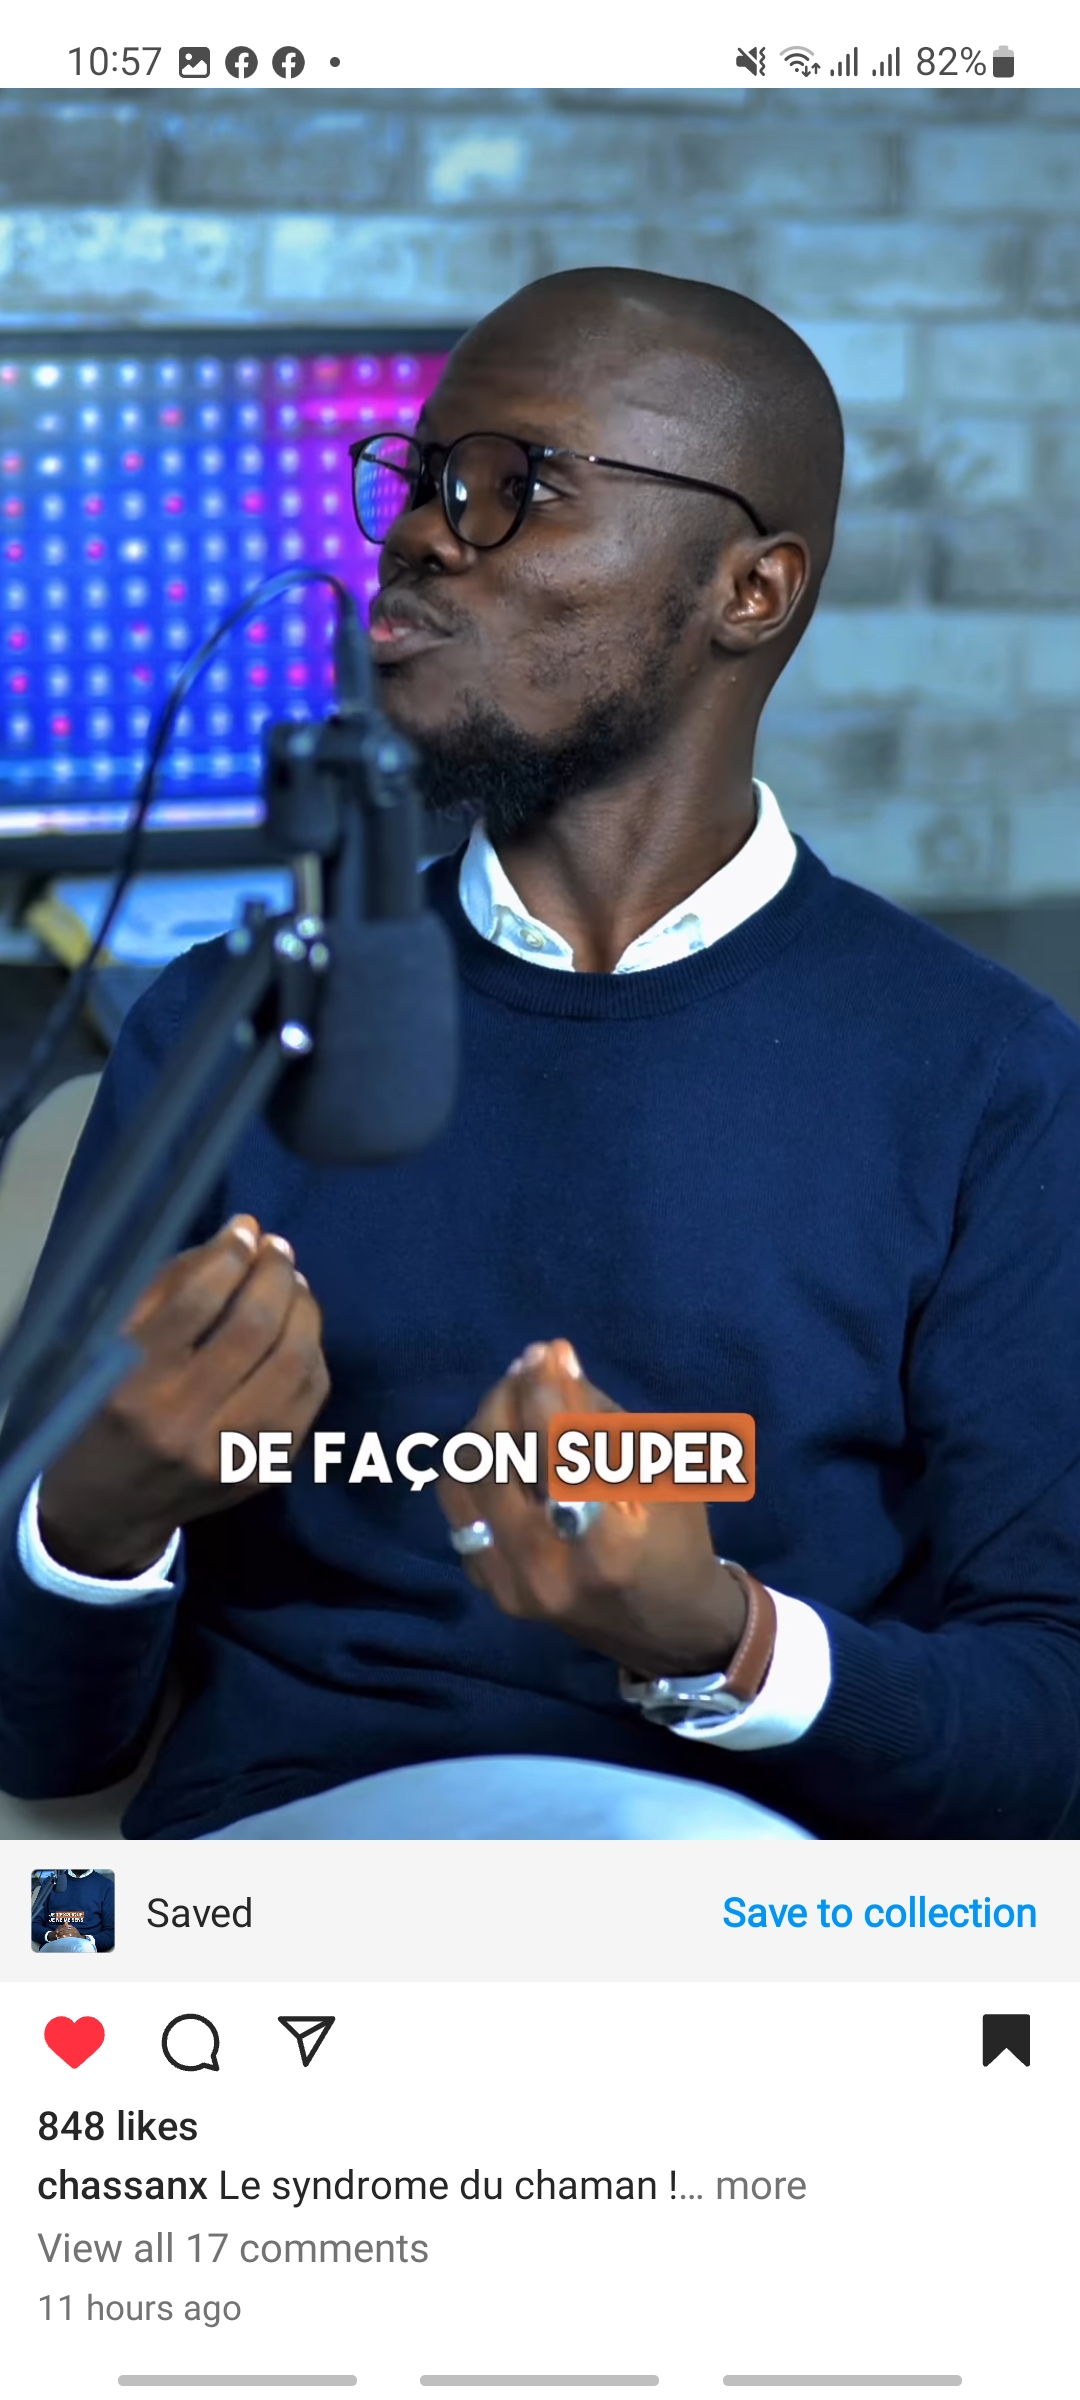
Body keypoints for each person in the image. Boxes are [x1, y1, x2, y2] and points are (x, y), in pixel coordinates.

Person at [1, 265, 1079, 1842]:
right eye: (423, 478)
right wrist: (96, 1514)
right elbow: (40, 1754)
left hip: (744, 1896)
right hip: (288, 1886)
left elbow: (1048, 1724)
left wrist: (724, 1641)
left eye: (519, 484)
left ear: (751, 591)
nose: (425, 534)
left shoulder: (990, 1079)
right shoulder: (226, 1026)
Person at [32, 1868, 114, 1951]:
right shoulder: (50, 1882)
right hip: (53, 1944)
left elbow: (112, 1933)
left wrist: (82, 1937)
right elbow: (33, 1924)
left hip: (87, 1946)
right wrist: (54, 1935)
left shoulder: (107, 1885)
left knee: (84, 1946)